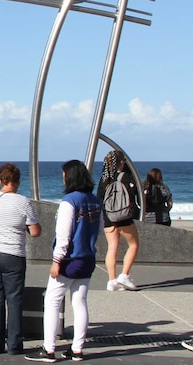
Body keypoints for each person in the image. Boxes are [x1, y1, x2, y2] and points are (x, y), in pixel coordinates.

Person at [25, 160, 102, 363]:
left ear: (70, 177)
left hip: (69, 259)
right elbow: (98, 229)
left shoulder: (70, 201)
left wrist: (56, 260)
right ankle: (77, 349)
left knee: (52, 301)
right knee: (80, 302)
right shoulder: (95, 200)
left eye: (64, 175)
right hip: (88, 258)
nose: (63, 178)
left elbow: (63, 236)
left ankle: (49, 349)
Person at [0, 163, 41, 355]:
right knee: (14, 301)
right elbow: (35, 231)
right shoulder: (23, 202)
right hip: (13, 254)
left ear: (1, 180)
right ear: (18, 181)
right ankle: (14, 345)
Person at [97, 150, 140, 291]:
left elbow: (99, 198)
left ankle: (111, 280)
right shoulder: (125, 177)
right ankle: (124, 275)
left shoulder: (104, 179)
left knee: (112, 248)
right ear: (121, 162)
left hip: (108, 217)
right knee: (133, 244)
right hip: (123, 217)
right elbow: (133, 196)